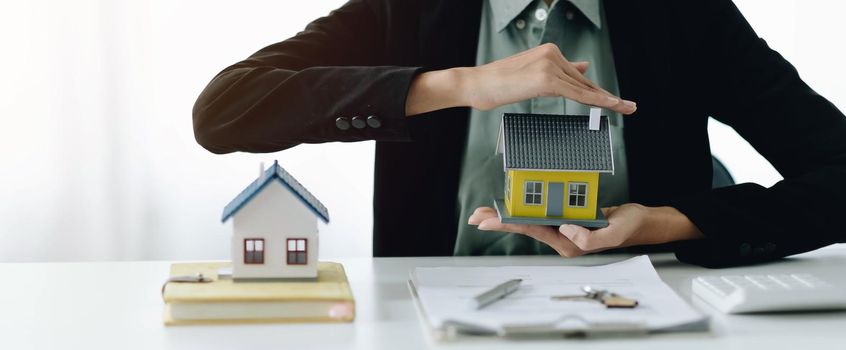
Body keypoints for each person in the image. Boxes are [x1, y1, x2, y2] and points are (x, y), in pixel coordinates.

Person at [192, 0, 846, 268]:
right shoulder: (407, 10)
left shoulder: (682, 13)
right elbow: (223, 112)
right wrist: (457, 85)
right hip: (437, 318)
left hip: (654, 314)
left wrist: (673, 221)